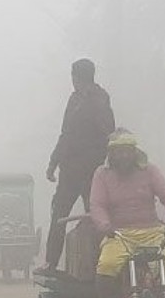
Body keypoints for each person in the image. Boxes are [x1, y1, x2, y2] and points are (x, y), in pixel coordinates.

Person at [85, 130, 165, 298]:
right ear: (111, 154)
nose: (123, 156)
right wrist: (104, 224)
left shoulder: (150, 171)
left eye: (127, 151)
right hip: (119, 235)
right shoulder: (102, 174)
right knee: (106, 265)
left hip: (153, 234)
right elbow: (97, 205)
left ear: (135, 152)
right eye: (118, 151)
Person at [35, 58, 115, 275]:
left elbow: (108, 132)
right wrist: (53, 162)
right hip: (69, 170)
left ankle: (101, 264)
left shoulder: (99, 99)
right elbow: (66, 134)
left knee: (96, 216)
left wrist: (109, 164)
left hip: (91, 171)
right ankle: (51, 262)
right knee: (59, 214)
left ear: (77, 77)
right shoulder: (74, 99)